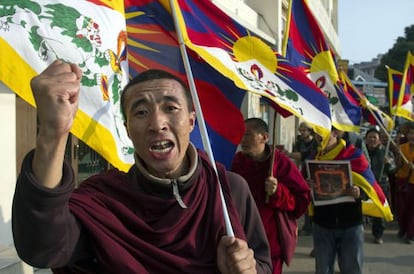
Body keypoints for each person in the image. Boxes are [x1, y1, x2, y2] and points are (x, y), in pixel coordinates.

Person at [12, 60, 272, 273]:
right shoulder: (105, 201)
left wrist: (249, 270)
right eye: (141, 113)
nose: (157, 123)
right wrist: (52, 133)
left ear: (191, 121)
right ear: (127, 131)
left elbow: (262, 264)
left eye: (171, 108)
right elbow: (43, 248)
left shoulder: (228, 189)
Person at [230, 118, 311, 274]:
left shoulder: (281, 164)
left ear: (264, 137)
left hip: (270, 243)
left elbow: (301, 201)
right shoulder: (237, 162)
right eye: (241, 134)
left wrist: (278, 192)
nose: (242, 140)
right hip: (240, 237)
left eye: (248, 135)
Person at [310, 128, 364, 274]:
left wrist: (359, 192)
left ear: (336, 133)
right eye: (316, 131)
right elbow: (303, 186)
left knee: (352, 269)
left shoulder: (354, 155)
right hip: (322, 223)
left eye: (322, 131)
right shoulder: (313, 157)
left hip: (351, 224)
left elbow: (369, 185)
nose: (318, 135)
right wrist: (308, 186)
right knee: (323, 270)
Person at [364, 127, 396, 244]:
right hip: (365, 183)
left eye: (374, 137)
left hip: (381, 184)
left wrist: (388, 164)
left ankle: (378, 234)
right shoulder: (362, 152)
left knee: (378, 210)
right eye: (370, 137)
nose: (372, 140)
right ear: (366, 139)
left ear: (379, 140)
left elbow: (393, 170)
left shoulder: (386, 152)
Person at [288, 121, 318, 236]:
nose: (302, 133)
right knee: (306, 198)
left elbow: (303, 155)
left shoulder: (315, 143)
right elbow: (297, 156)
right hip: (303, 170)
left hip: (314, 171)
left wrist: (293, 155)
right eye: (300, 130)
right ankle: (307, 225)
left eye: (304, 130)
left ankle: (312, 225)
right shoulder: (299, 141)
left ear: (309, 131)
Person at [394, 124, 414, 244]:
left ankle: (410, 234)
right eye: (411, 133)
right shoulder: (402, 147)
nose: (412, 136)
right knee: (401, 208)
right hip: (402, 180)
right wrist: (397, 153)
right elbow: (398, 166)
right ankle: (403, 228)